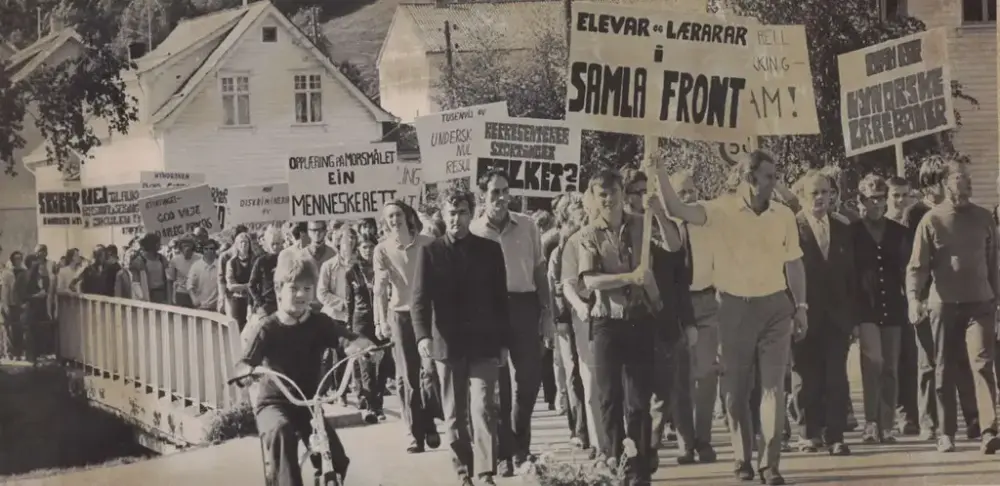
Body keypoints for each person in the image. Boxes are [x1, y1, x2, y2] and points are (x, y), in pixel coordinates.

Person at [655, 150, 806, 486]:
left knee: (772, 390)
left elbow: (794, 262)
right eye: (769, 176)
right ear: (750, 178)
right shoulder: (719, 209)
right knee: (735, 393)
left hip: (776, 310)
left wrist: (801, 306)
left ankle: (770, 464)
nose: (774, 182)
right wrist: (660, 171)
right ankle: (742, 458)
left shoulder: (783, 215)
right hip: (733, 309)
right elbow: (675, 210)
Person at [233, 254, 374, 486]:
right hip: (274, 403)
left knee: (336, 459)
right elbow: (246, 361)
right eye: (294, 288)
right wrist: (246, 372)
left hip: (308, 403)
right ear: (279, 289)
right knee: (282, 432)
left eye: (307, 288)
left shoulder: (319, 323)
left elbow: (343, 338)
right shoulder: (267, 328)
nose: (301, 295)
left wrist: (357, 345)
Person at [411, 186, 510, 486]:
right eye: (451, 213)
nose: (457, 218)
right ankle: (464, 471)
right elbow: (419, 300)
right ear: (443, 215)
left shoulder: (490, 250)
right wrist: (422, 337)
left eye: (463, 212)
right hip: (447, 345)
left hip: (483, 344)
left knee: (484, 407)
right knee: (454, 416)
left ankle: (485, 472)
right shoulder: (430, 252)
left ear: (472, 213)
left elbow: (500, 300)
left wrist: (504, 343)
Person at [906, 158, 1000, 454]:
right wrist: (913, 298)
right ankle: (945, 432)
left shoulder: (985, 218)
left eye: (969, 178)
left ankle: (989, 430)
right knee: (944, 368)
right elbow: (917, 266)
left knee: (982, 364)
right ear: (945, 183)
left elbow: (994, 263)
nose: (967, 182)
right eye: (960, 177)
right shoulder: (930, 220)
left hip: (980, 304)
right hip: (943, 305)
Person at [470, 168, 554, 474]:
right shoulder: (475, 231)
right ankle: (509, 453)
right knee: (499, 387)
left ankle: (521, 444)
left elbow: (540, 271)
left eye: (506, 191)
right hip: (492, 311)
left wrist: (546, 312)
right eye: (495, 192)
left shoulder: (528, 225)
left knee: (529, 381)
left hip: (524, 306)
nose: (502, 198)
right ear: (483, 195)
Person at [788, 170, 855, 456]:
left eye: (825, 192)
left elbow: (852, 274)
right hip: (803, 313)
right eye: (813, 192)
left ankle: (835, 434)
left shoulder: (842, 227)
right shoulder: (791, 226)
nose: (820, 198)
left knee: (836, 376)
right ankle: (808, 432)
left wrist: (851, 318)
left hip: (837, 317)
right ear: (802, 196)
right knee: (806, 376)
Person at [372, 200, 441, 454]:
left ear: (408, 216)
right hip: (400, 315)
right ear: (384, 222)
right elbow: (379, 289)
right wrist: (380, 321)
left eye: (398, 214)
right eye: (389, 216)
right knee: (407, 378)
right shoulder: (382, 250)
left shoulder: (428, 243)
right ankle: (415, 434)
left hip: (428, 315)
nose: (394, 220)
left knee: (430, 372)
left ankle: (430, 419)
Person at [665, 170, 720, 464]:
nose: (689, 196)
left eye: (692, 190)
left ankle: (704, 439)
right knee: (680, 378)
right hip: (676, 307)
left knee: (706, 374)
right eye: (682, 192)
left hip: (706, 301)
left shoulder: (706, 216)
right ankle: (685, 442)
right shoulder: (664, 226)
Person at [851, 174, 910, 444]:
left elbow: (907, 268)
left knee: (890, 367)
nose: (876, 204)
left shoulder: (899, 232)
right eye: (871, 198)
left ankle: (887, 424)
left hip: (893, 306)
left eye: (880, 199)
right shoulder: (852, 232)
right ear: (861, 200)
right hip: (865, 306)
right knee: (872, 362)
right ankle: (871, 422)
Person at [348, 228, 391, 423]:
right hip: (361, 321)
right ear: (358, 249)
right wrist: (349, 329)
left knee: (382, 363)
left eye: (370, 247)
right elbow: (349, 302)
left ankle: (378, 401)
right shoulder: (351, 272)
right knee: (365, 363)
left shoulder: (382, 267)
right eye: (364, 247)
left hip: (381, 318)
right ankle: (370, 405)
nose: (367, 250)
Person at [249, 225, 285, 317]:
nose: (275, 247)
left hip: (284, 303)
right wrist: (260, 303)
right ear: (268, 243)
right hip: (267, 304)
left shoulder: (287, 259)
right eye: (272, 243)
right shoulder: (261, 261)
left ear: (282, 243)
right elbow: (251, 285)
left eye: (277, 243)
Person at [225, 233, 254, 331]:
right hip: (238, 298)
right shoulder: (232, 263)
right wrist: (247, 286)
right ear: (237, 245)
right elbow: (230, 286)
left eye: (246, 242)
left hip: (253, 299)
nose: (244, 244)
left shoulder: (255, 260)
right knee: (237, 328)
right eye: (241, 242)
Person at [1, 252, 26, 360]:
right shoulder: (7, 273)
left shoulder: (24, 272)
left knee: (19, 329)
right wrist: (5, 304)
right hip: (9, 303)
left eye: (20, 258)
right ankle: (10, 352)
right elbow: (5, 290)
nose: (18, 261)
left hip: (19, 304)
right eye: (16, 259)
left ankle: (19, 352)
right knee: (9, 329)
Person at [168, 236, 201, 308]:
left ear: (193, 246)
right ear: (180, 247)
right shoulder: (175, 260)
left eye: (189, 245)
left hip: (196, 293)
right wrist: (170, 299)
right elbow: (170, 280)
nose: (187, 247)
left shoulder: (200, 258)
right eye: (184, 245)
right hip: (181, 293)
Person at [188, 239, 221, 312]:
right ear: (203, 250)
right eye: (206, 249)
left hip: (217, 306)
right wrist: (195, 300)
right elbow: (190, 285)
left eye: (211, 249)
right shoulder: (196, 266)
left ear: (215, 250)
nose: (209, 251)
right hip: (201, 306)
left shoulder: (221, 265)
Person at [138, 234, 171, 305]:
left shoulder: (162, 259)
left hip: (162, 293)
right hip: (148, 293)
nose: (160, 245)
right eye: (158, 243)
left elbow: (168, 278)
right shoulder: (142, 260)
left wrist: (169, 298)